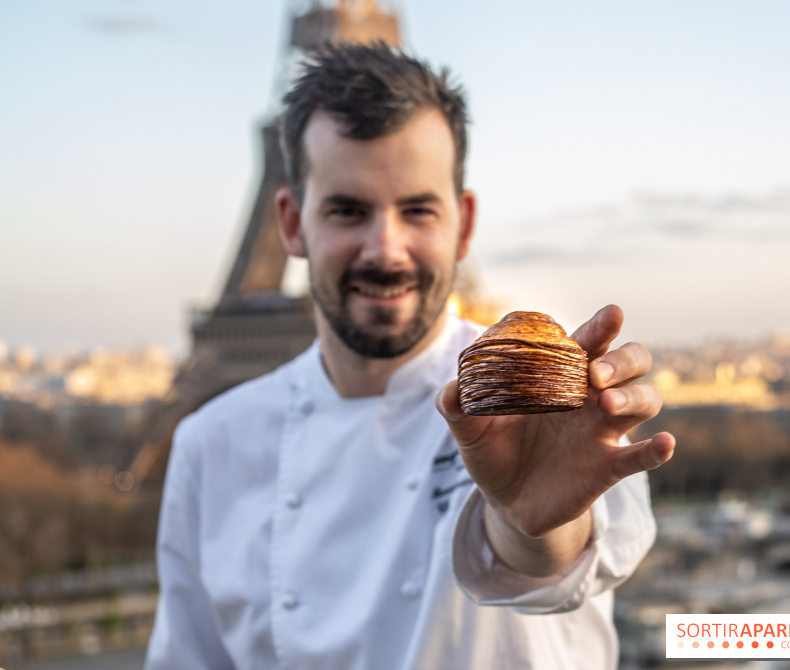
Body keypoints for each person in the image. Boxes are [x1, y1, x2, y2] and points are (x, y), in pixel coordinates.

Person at [145, 43, 675, 670]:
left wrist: (533, 527)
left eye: (417, 210)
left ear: (464, 223)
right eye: (348, 210)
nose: (385, 249)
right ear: (290, 221)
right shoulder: (210, 445)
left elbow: (560, 567)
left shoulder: (549, 400)